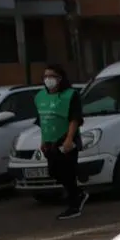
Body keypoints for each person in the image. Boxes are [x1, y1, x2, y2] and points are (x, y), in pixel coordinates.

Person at [34, 64, 88, 220]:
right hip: (50, 141)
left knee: (67, 172)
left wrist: (69, 139)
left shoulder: (70, 95)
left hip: (65, 139)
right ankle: (78, 194)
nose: (48, 79)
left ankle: (74, 205)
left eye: (52, 76)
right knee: (54, 171)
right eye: (45, 76)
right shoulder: (40, 97)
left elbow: (74, 118)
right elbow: (44, 120)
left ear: (60, 78)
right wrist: (43, 140)